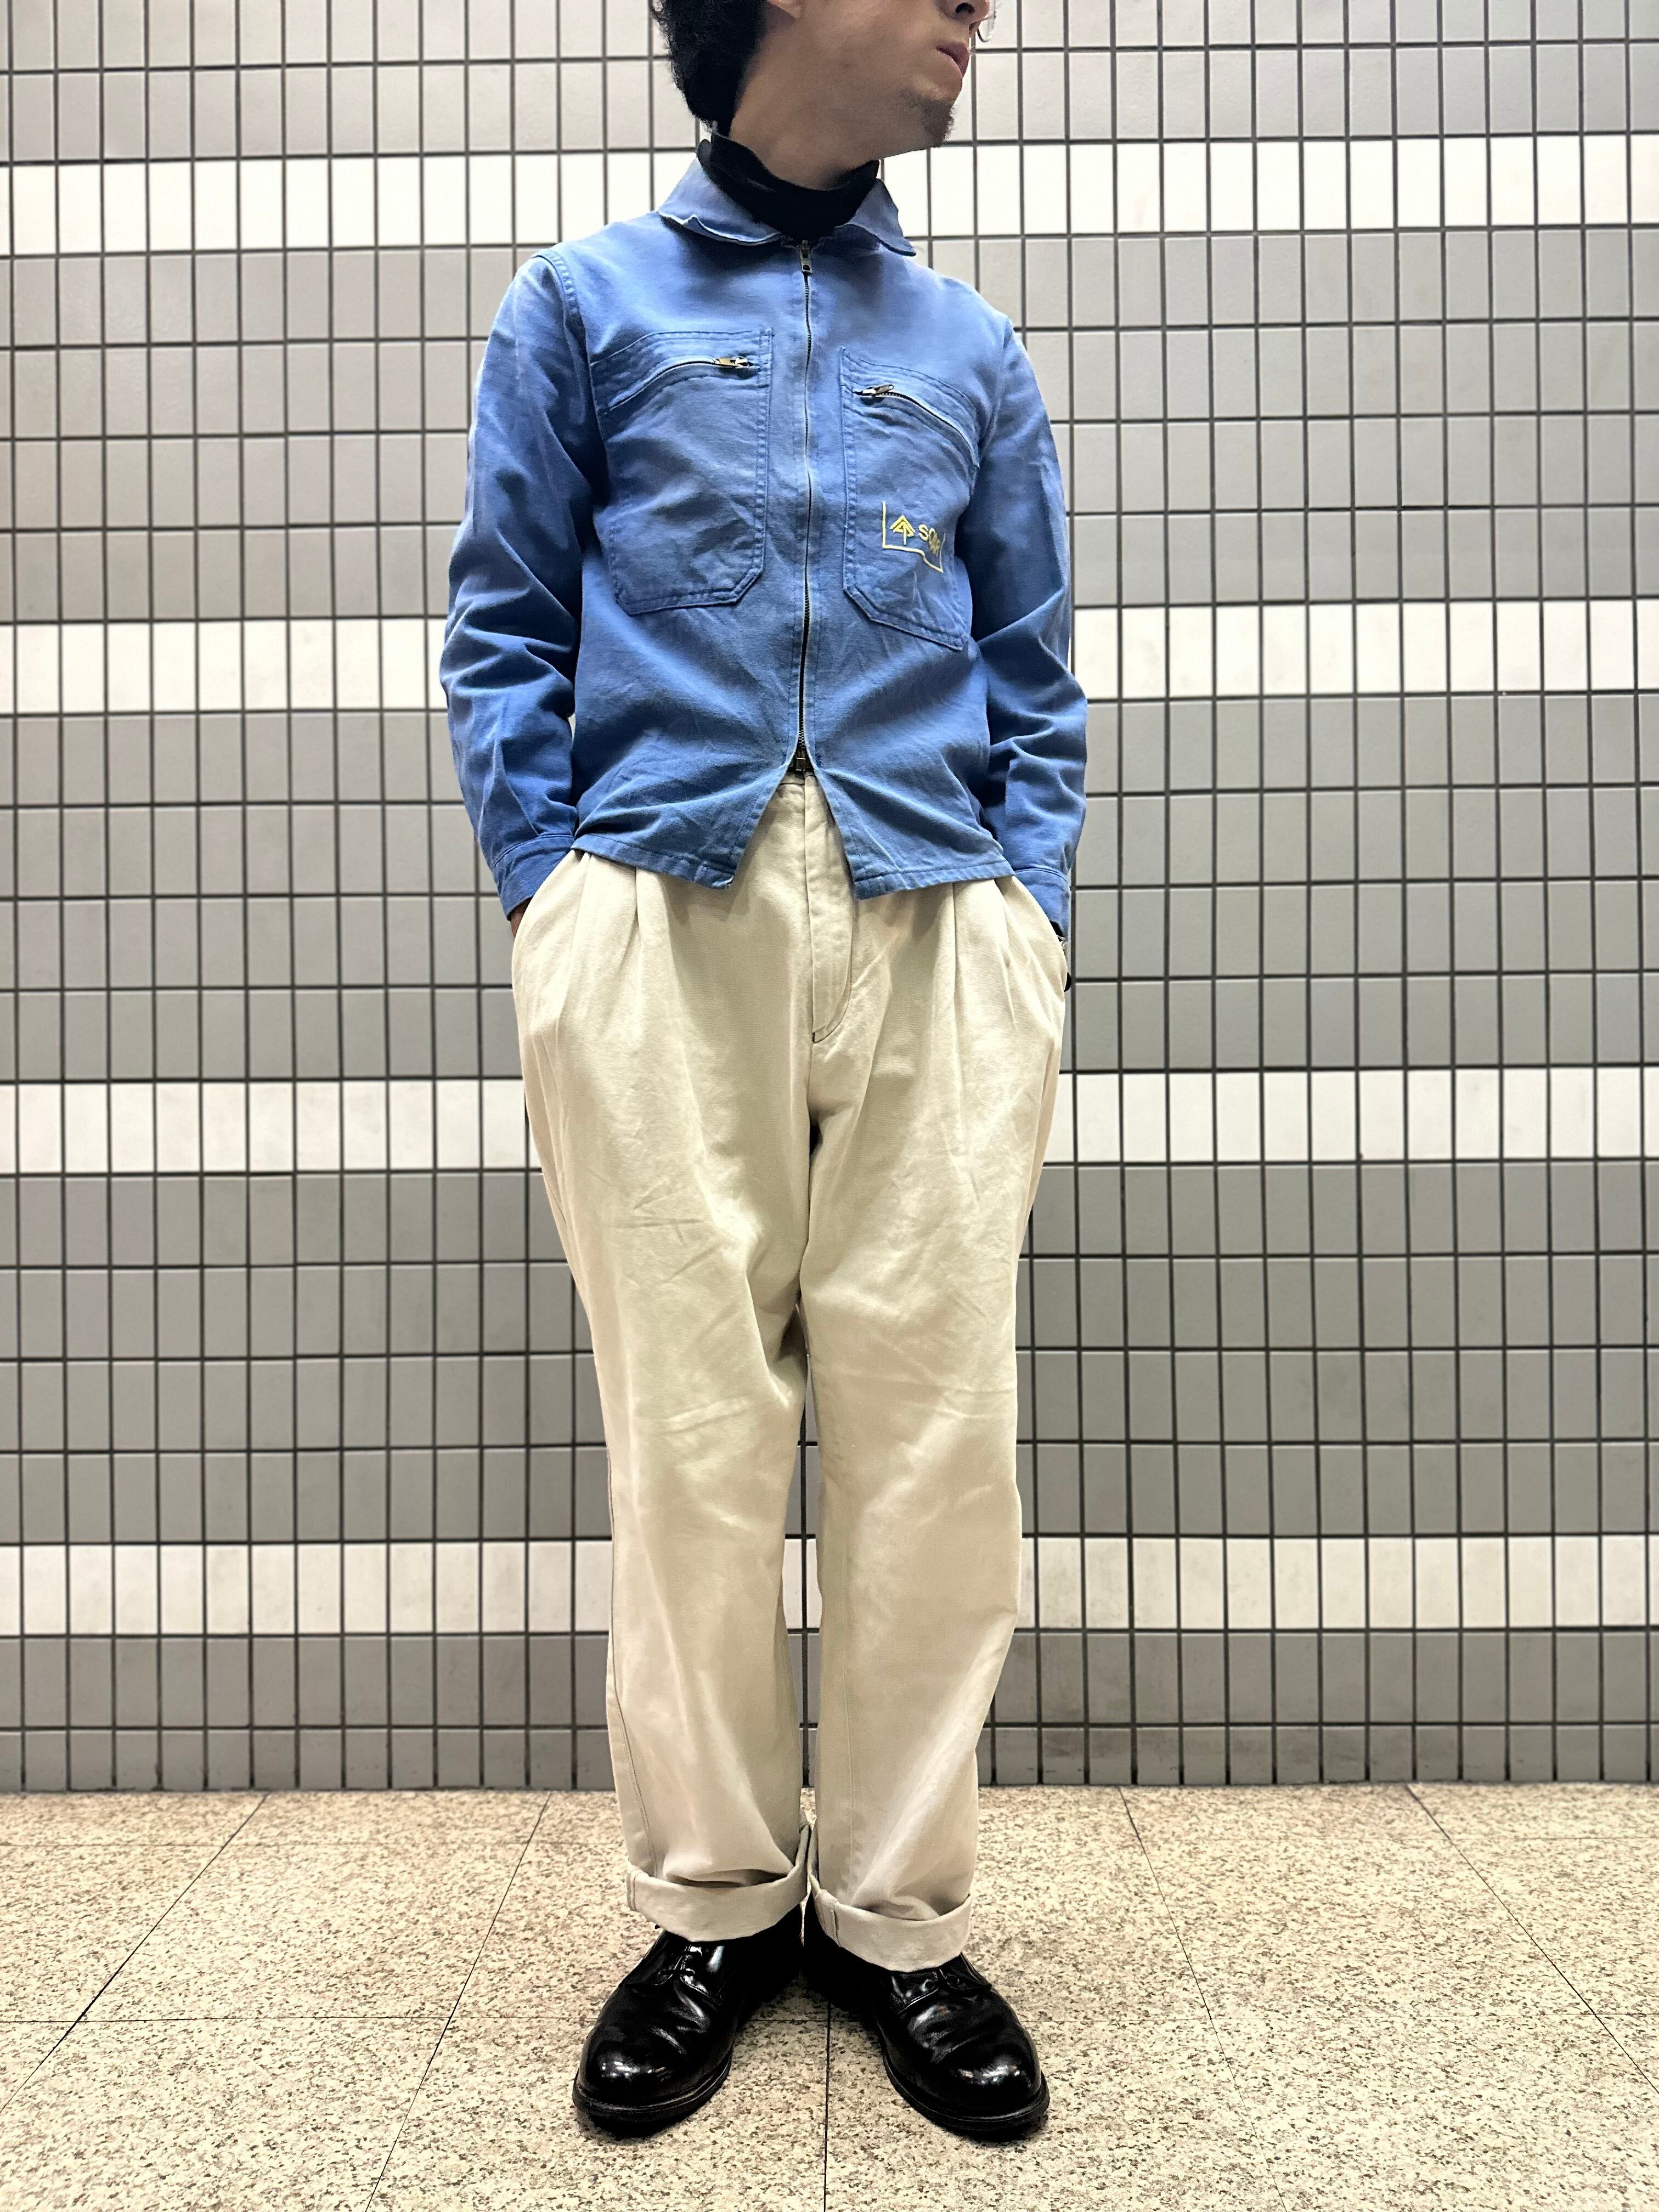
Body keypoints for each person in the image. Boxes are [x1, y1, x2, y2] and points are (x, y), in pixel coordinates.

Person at [441, 0, 1087, 2146]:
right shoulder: (580, 310)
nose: (974, 10)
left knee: (937, 1443)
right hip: (656, 911)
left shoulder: (971, 351)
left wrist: (1029, 910)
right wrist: (554, 899)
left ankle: (896, 1917)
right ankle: (715, 1903)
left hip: (935, 915)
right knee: (696, 1445)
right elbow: (505, 628)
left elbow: (1034, 671)